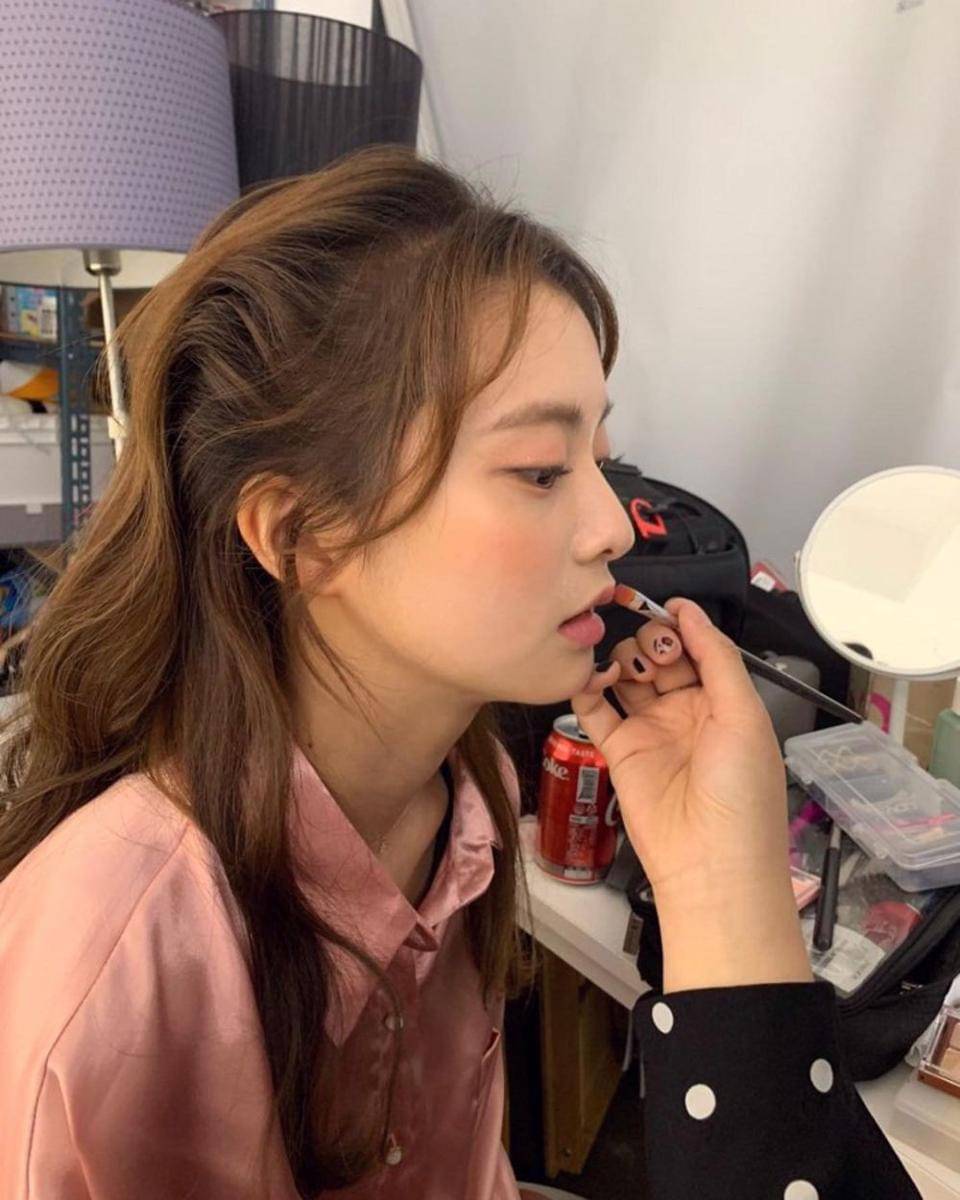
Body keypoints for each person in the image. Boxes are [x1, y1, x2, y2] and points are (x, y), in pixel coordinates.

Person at [0, 145, 920, 1200]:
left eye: (601, 462)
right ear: (302, 535)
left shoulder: (468, 806)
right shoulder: (110, 964)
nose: (616, 527)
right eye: (540, 470)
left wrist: (722, 878)